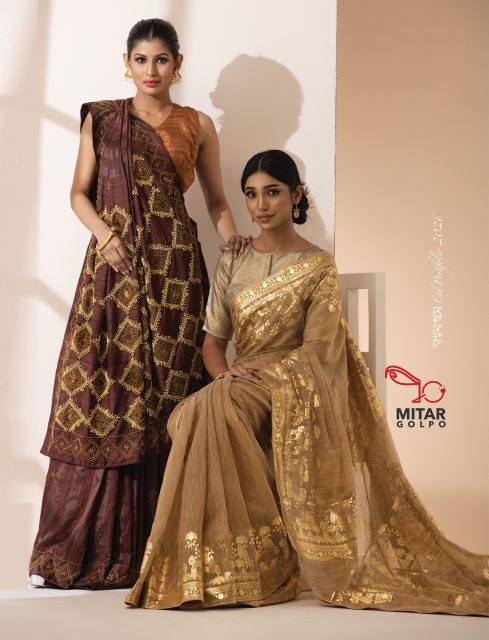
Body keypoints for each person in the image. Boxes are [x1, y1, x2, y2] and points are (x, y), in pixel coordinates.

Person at [126, 150, 489, 615]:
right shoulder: (233, 260)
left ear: (296, 195)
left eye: (273, 192)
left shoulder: (318, 264)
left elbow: (320, 350)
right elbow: (213, 343)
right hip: (239, 378)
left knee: (213, 409)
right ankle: (225, 566)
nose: (261, 205)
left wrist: (271, 377)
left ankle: (249, 566)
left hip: (292, 382)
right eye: (251, 195)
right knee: (207, 406)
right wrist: (224, 373)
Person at [29, 18, 248, 590]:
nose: (152, 70)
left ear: (178, 64)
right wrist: (105, 235)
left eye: (162, 60)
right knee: (100, 391)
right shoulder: (103, 119)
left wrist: (233, 242)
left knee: (170, 400)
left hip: (176, 275)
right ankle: (78, 549)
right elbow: (78, 193)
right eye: (141, 60)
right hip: (114, 271)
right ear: (126, 64)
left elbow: (217, 201)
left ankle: (164, 545)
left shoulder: (197, 125)